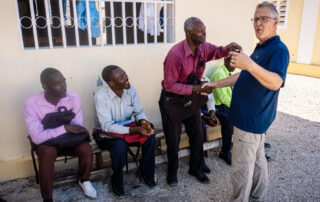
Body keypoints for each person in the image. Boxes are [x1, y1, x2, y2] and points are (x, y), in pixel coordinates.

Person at [203, 2, 289, 201]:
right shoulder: (263, 47)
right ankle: (258, 196)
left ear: (276, 22)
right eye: (256, 19)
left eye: (264, 19)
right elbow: (244, 76)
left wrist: (249, 64)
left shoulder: (278, 50)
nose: (258, 24)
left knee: (241, 169)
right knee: (258, 162)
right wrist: (214, 85)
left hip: (249, 121)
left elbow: (276, 82)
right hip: (253, 121)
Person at [158, 16, 241, 186]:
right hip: (172, 101)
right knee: (173, 140)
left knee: (197, 135)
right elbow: (170, 84)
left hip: (191, 100)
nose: (204, 33)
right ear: (189, 33)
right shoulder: (175, 54)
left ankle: (195, 168)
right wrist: (197, 88)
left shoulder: (204, 48)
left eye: (205, 29)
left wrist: (229, 47)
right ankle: (172, 173)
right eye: (200, 30)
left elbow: (218, 51)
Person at [24, 68, 97, 202]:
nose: (63, 86)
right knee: (47, 154)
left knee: (85, 147)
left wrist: (69, 129)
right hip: (47, 144)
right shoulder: (32, 104)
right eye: (57, 83)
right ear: (45, 86)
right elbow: (37, 137)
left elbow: (77, 125)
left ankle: (84, 180)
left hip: (68, 141)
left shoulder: (73, 97)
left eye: (63, 81)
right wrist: (64, 128)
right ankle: (47, 198)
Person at [94, 65, 156, 198]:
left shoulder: (130, 89)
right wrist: (135, 129)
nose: (126, 77)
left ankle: (146, 174)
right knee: (119, 146)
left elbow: (138, 112)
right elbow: (107, 126)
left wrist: (143, 122)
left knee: (151, 136)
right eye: (121, 77)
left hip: (128, 127)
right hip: (106, 133)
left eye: (125, 73)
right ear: (111, 83)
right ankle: (117, 182)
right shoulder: (101, 96)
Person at [200, 75, 233, 166]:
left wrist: (212, 113)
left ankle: (225, 152)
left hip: (206, 110)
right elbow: (189, 106)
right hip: (194, 113)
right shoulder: (188, 80)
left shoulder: (205, 78)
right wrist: (203, 117)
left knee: (227, 120)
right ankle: (200, 159)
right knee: (200, 125)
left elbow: (210, 99)